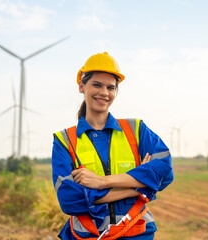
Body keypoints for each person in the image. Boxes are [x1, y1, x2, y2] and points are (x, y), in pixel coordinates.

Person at [52, 52, 174, 240]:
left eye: (111, 87)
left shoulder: (137, 130)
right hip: (87, 235)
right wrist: (138, 186)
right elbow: (69, 200)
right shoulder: (65, 140)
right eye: (97, 85)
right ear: (81, 86)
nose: (104, 93)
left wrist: (101, 182)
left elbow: (165, 171)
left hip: (136, 233)